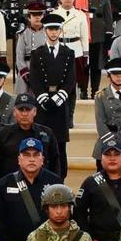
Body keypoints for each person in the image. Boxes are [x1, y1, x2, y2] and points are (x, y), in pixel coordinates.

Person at [27, 12, 76, 175]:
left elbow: (71, 79)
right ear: (45, 30)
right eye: (50, 29)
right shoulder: (37, 53)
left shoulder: (69, 53)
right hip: (43, 105)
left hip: (60, 105)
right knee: (42, 143)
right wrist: (43, 98)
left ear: (60, 31)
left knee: (60, 146)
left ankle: (61, 178)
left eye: (56, 29)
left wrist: (58, 98)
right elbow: (34, 79)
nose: (53, 32)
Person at [0, 93, 62, 180]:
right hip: (11, 184)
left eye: (28, 109)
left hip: (41, 184)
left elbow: (55, 163)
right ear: (14, 112)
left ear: (35, 111)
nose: (24, 114)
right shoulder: (3, 133)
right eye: (21, 110)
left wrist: (55, 183)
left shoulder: (47, 133)